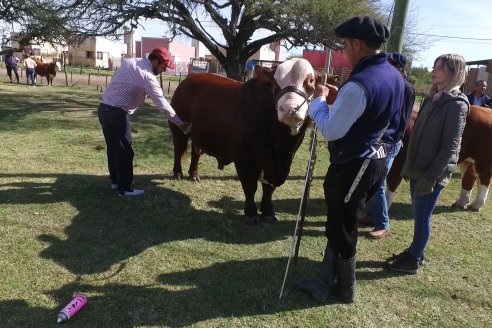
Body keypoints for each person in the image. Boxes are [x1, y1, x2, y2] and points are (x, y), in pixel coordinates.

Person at [296, 16, 405, 303]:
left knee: (342, 226)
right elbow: (386, 118)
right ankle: (324, 278)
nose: (344, 51)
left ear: (357, 44)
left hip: (356, 164)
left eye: (345, 45)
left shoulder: (360, 84)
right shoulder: (394, 75)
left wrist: (318, 101)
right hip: (376, 161)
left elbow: (331, 129)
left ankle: (346, 288)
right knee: (343, 220)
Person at [387, 54, 469, 274]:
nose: (433, 70)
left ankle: (413, 260)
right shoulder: (434, 97)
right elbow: (417, 136)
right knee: (419, 214)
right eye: (434, 66)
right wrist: (408, 166)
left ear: (453, 72)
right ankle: (417, 251)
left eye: (440, 68)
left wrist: (430, 177)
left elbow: (450, 147)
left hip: (431, 175)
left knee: (422, 217)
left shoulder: (457, 104)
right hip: (418, 169)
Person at [98, 47, 191, 197]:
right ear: (155, 61)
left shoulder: (129, 62)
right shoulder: (147, 77)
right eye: (163, 67)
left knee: (113, 147)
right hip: (117, 113)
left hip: (103, 108)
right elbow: (163, 105)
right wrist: (180, 123)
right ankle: (126, 189)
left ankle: (115, 181)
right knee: (125, 151)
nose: (163, 70)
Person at [359, 52, 416, 239]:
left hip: (389, 142)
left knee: (379, 181)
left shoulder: (406, 88)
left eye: (390, 64)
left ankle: (383, 223)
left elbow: (403, 119)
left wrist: (390, 141)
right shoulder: (389, 83)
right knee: (372, 179)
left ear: (399, 68)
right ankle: (372, 216)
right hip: (379, 140)